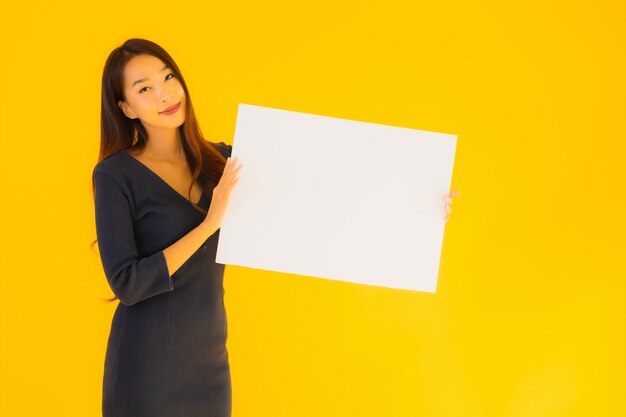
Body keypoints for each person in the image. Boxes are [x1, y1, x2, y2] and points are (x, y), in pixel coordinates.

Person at [92, 38, 242, 417]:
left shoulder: (222, 161)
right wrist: (208, 225)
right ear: (125, 107)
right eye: (144, 88)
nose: (165, 94)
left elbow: (307, 191)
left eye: (168, 76)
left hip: (210, 364)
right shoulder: (115, 175)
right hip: (145, 368)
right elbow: (127, 283)